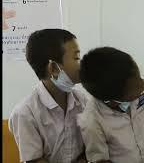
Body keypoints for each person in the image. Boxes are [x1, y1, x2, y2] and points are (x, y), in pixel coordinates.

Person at [9, 29, 87, 163]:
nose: (82, 65)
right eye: (77, 58)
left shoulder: (83, 101)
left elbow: (90, 147)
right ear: (54, 68)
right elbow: (34, 160)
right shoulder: (25, 113)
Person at [77, 47, 144, 163]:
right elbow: (101, 160)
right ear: (112, 101)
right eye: (136, 89)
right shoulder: (92, 121)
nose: (143, 84)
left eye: (140, 78)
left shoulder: (138, 85)